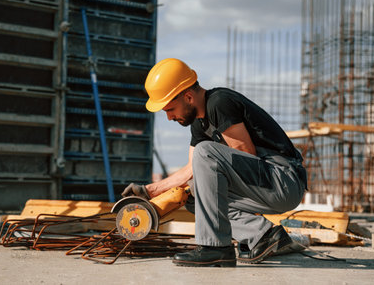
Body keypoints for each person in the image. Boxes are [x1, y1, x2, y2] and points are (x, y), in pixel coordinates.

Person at [122, 58, 307, 267]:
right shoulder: (199, 124)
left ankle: (215, 248)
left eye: (170, 109)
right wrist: (149, 190)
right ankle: (263, 235)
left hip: (284, 180)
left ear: (188, 97)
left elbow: (246, 153)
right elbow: (192, 171)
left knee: (204, 153)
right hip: (265, 184)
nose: (169, 117)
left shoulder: (219, 103)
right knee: (193, 195)